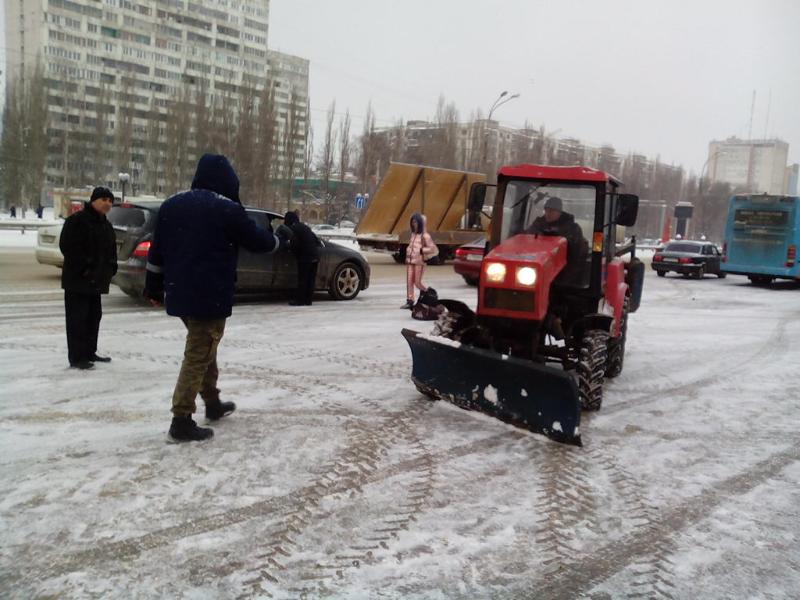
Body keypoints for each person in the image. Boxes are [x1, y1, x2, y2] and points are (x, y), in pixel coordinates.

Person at [144, 154, 290, 443]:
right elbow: (258, 241)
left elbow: (156, 252)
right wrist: (280, 239)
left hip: (179, 291)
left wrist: (152, 287)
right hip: (209, 293)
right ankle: (181, 419)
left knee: (204, 347)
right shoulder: (226, 209)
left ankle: (212, 402)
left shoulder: (171, 205)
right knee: (199, 352)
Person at [59, 187, 117, 370]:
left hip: (97, 281)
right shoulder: (77, 221)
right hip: (78, 281)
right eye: (104, 199)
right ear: (93, 200)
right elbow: (67, 247)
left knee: (93, 317)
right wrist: (84, 268)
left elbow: (111, 250)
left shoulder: (106, 224)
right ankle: (77, 357)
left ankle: (89, 351)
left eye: (110, 200)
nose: (107, 203)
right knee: (78, 318)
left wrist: (111, 267)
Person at [527, 196, 589, 285]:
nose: (548, 213)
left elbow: (576, 255)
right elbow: (527, 239)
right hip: (536, 269)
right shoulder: (538, 225)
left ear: (559, 212)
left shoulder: (572, 228)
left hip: (564, 272)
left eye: (552, 211)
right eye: (546, 210)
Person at [284, 211, 320, 306]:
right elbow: (316, 240)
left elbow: (294, 244)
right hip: (315, 256)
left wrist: (292, 251)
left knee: (302, 279)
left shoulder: (293, 228)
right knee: (310, 280)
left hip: (305, 258)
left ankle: (300, 301)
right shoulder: (305, 227)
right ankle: (308, 300)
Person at [402, 213, 438, 309]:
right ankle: (410, 301)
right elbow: (411, 246)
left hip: (419, 262)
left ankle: (429, 293)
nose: (414, 224)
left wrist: (422, 250)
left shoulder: (425, 236)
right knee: (409, 281)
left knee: (417, 282)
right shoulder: (413, 234)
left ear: (421, 223)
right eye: (412, 222)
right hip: (410, 261)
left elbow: (432, 248)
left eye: (416, 222)